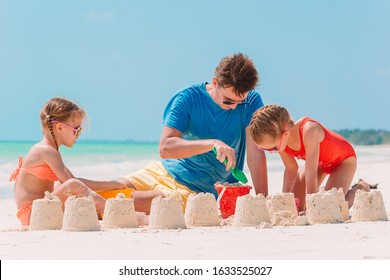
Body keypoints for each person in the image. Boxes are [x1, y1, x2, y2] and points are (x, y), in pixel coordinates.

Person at [118, 53, 268, 213]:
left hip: (195, 190)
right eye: (229, 100)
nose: (234, 107)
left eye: (240, 101)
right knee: (109, 189)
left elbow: (255, 155)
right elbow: (165, 148)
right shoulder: (188, 97)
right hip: (162, 170)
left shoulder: (251, 102)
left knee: (123, 203)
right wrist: (212, 144)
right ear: (215, 82)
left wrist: (263, 200)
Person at [10, 97, 124, 226]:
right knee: (72, 185)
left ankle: (108, 211)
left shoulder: (49, 150)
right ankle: (117, 213)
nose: (78, 135)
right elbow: (73, 183)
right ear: (59, 128)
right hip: (33, 215)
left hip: (39, 211)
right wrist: (112, 184)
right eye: (77, 130)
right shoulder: (46, 151)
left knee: (65, 187)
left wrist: (112, 185)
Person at [248, 104, 371, 212]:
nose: (270, 152)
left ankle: (362, 187)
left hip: (343, 160)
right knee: (296, 206)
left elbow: (310, 171)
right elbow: (291, 169)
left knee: (329, 208)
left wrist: (312, 204)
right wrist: (284, 199)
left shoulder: (309, 129)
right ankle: (325, 191)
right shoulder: (280, 141)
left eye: (272, 148)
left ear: (285, 135)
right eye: (264, 149)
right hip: (320, 164)